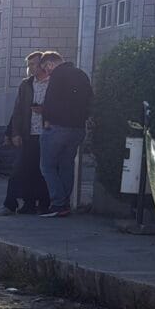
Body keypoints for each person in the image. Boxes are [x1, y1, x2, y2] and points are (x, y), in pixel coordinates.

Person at [37, 51, 92, 218]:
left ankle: (58, 203)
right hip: (77, 128)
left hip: (57, 128)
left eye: (46, 69)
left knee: (47, 166)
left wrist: (46, 118)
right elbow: (90, 98)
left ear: (50, 64)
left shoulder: (57, 75)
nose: (47, 73)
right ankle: (65, 203)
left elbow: (50, 101)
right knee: (66, 165)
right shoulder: (81, 74)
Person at [0, 52, 50, 216]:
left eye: (33, 64)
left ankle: (43, 203)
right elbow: (18, 110)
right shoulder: (26, 85)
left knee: (43, 170)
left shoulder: (53, 83)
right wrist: (14, 132)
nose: (30, 67)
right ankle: (16, 203)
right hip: (28, 133)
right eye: (29, 64)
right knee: (20, 169)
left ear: (42, 65)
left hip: (47, 133)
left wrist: (44, 111)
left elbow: (59, 106)